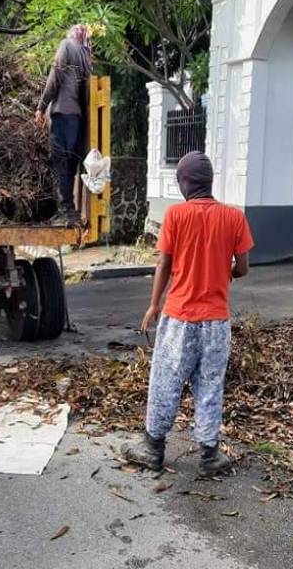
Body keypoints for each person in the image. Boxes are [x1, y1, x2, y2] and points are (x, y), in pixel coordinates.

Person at [120, 151, 253, 476]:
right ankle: (209, 455)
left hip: (179, 317)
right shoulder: (234, 217)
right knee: (210, 384)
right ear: (209, 181)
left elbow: (164, 263)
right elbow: (243, 268)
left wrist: (154, 304)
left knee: (166, 380)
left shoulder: (175, 215)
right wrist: (223, 272)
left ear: (184, 183)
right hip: (216, 322)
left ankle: (153, 448)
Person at [34, 25, 92, 223]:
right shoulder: (85, 55)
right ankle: (70, 210)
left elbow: (55, 77)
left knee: (61, 163)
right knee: (70, 163)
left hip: (62, 113)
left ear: (71, 34)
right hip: (77, 118)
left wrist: (41, 107)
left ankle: (66, 209)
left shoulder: (66, 45)